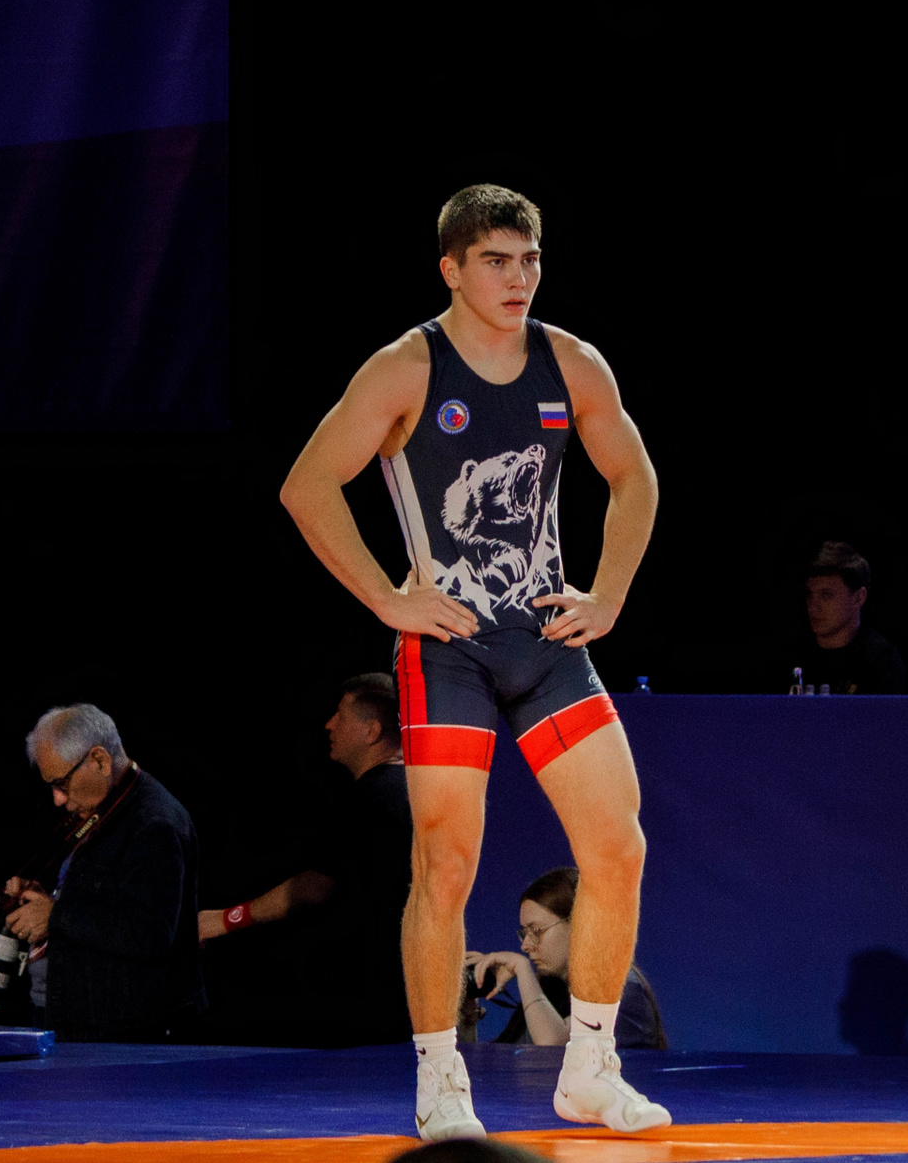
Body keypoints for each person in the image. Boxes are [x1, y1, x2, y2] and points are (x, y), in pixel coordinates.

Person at [280, 184, 670, 1141]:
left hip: (544, 641)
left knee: (618, 846)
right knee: (445, 863)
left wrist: (609, 594)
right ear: (451, 269)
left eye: (529, 259)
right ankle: (441, 1078)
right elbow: (308, 483)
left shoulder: (571, 362)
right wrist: (388, 597)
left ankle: (590, 1069)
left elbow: (634, 474)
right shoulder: (407, 368)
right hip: (448, 649)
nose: (518, 278)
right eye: (496, 261)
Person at [199, 674, 414, 1043]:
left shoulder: (369, 801)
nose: (329, 724)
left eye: (341, 715)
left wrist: (223, 920)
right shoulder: (419, 792)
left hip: (367, 1006)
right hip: (409, 997)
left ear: (372, 731)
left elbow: (314, 887)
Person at [3, 704, 205, 1042]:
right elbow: (102, 903)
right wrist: (45, 898)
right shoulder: (107, 810)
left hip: (126, 1038)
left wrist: (54, 916)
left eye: (62, 783)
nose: (57, 800)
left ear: (99, 760)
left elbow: (149, 933)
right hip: (84, 1022)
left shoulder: (154, 823)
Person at [465, 867, 667, 1049]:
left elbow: (553, 1048)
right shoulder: (553, 990)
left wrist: (522, 969)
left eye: (536, 931)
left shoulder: (620, 989)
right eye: (524, 933)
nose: (525, 945)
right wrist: (467, 1015)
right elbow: (499, 1070)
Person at [781, 542, 906, 694]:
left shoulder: (881, 662)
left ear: (858, 598)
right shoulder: (790, 657)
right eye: (810, 594)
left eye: (826, 595)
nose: (813, 606)